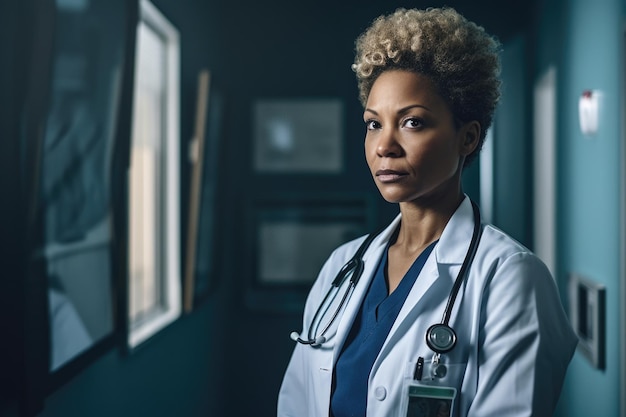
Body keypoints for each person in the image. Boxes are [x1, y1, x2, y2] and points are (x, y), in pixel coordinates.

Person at [278, 7, 577, 417]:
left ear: (467, 138)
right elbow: (296, 402)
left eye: (412, 122)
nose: (385, 146)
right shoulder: (342, 267)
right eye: (373, 124)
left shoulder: (511, 277)